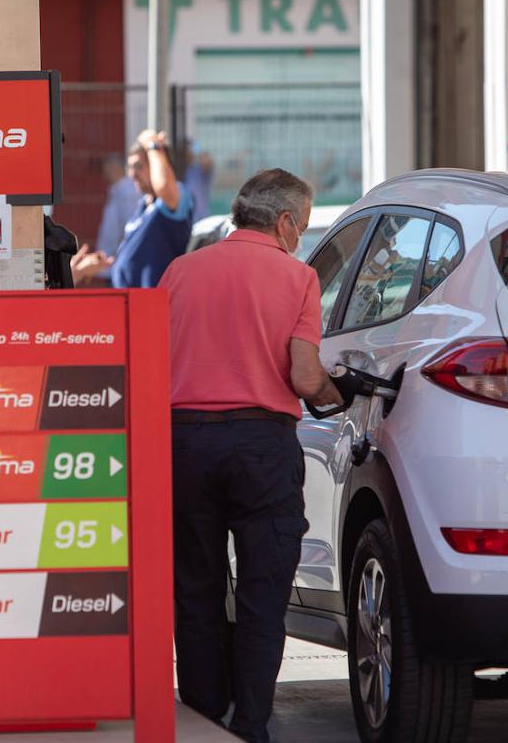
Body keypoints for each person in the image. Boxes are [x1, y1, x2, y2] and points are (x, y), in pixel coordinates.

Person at [159, 169, 344, 743]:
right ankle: (254, 725)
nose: (303, 236)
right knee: (264, 592)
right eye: (304, 225)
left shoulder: (179, 271)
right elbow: (305, 375)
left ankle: (205, 715)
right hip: (262, 446)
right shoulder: (298, 278)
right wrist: (335, 395)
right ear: (285, 222)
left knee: (196, 587)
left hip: (183, 441)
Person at [109, 129, 194, 288]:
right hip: (132, 305)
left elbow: (163, 186)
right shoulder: (143, 207)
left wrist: (152, 146)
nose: (132, 174)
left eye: (139, 166)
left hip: (156, 308)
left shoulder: (176, 196)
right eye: (130, 167)